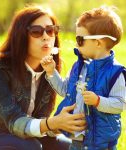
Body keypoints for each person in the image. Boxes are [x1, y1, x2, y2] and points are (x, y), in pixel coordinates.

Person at [0, 5, 87, 150]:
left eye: (50, 30)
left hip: (28, 138)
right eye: (36, 31)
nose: (46, 36)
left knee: (76, 146)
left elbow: (40, 120)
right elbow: (13, 120)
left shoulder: (50, 71)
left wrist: (61, 125)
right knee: (30, 146)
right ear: (21, 36)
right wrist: (51, 123)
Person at [41, 6, 126, 150]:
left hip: (100, 141)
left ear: (98, 43)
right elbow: (65, 90)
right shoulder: (78, 66)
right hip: (76, 139)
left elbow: (120, 104)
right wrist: (51, 72)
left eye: (80, 40)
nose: (76, 44)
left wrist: (98, 101)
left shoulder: (115, 72)